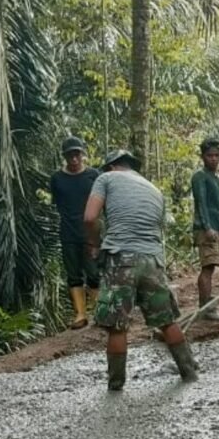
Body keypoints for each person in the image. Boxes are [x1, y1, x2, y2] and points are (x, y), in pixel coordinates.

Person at [84, 149, 198, 391]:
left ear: (111, 166)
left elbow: (90, 217)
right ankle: (189, 372)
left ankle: (115, 387)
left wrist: (93, 244)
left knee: (117, 326)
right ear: (133, 166)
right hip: (153, 260)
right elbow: (158, 228)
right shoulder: (154, 189)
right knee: (166, 321)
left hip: (121, 258)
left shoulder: (105, 179)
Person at [50, 136, 100, 328]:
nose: (74, 158)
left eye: (77, 154)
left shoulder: (94, 175)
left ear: (82, 154)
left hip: (90, 232)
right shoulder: (57, 178)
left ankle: (98, 312)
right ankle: (80, 314)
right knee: (73, 274)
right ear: (65, 156)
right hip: (68, 232)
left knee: (94, 273)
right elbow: (58, 203)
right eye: (70, 155)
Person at [190, 137, 219, 320]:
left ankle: (206, 306)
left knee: (210, 268)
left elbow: (218, 206)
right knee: (207, 268)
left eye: (216, 155)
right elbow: (201, 203)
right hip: (207, 229)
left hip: (215, 228)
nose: (213, 159)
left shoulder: (215, 178)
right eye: (209, 155)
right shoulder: (200, 177)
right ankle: (206, 308)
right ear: (203, 157)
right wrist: (207, 227)